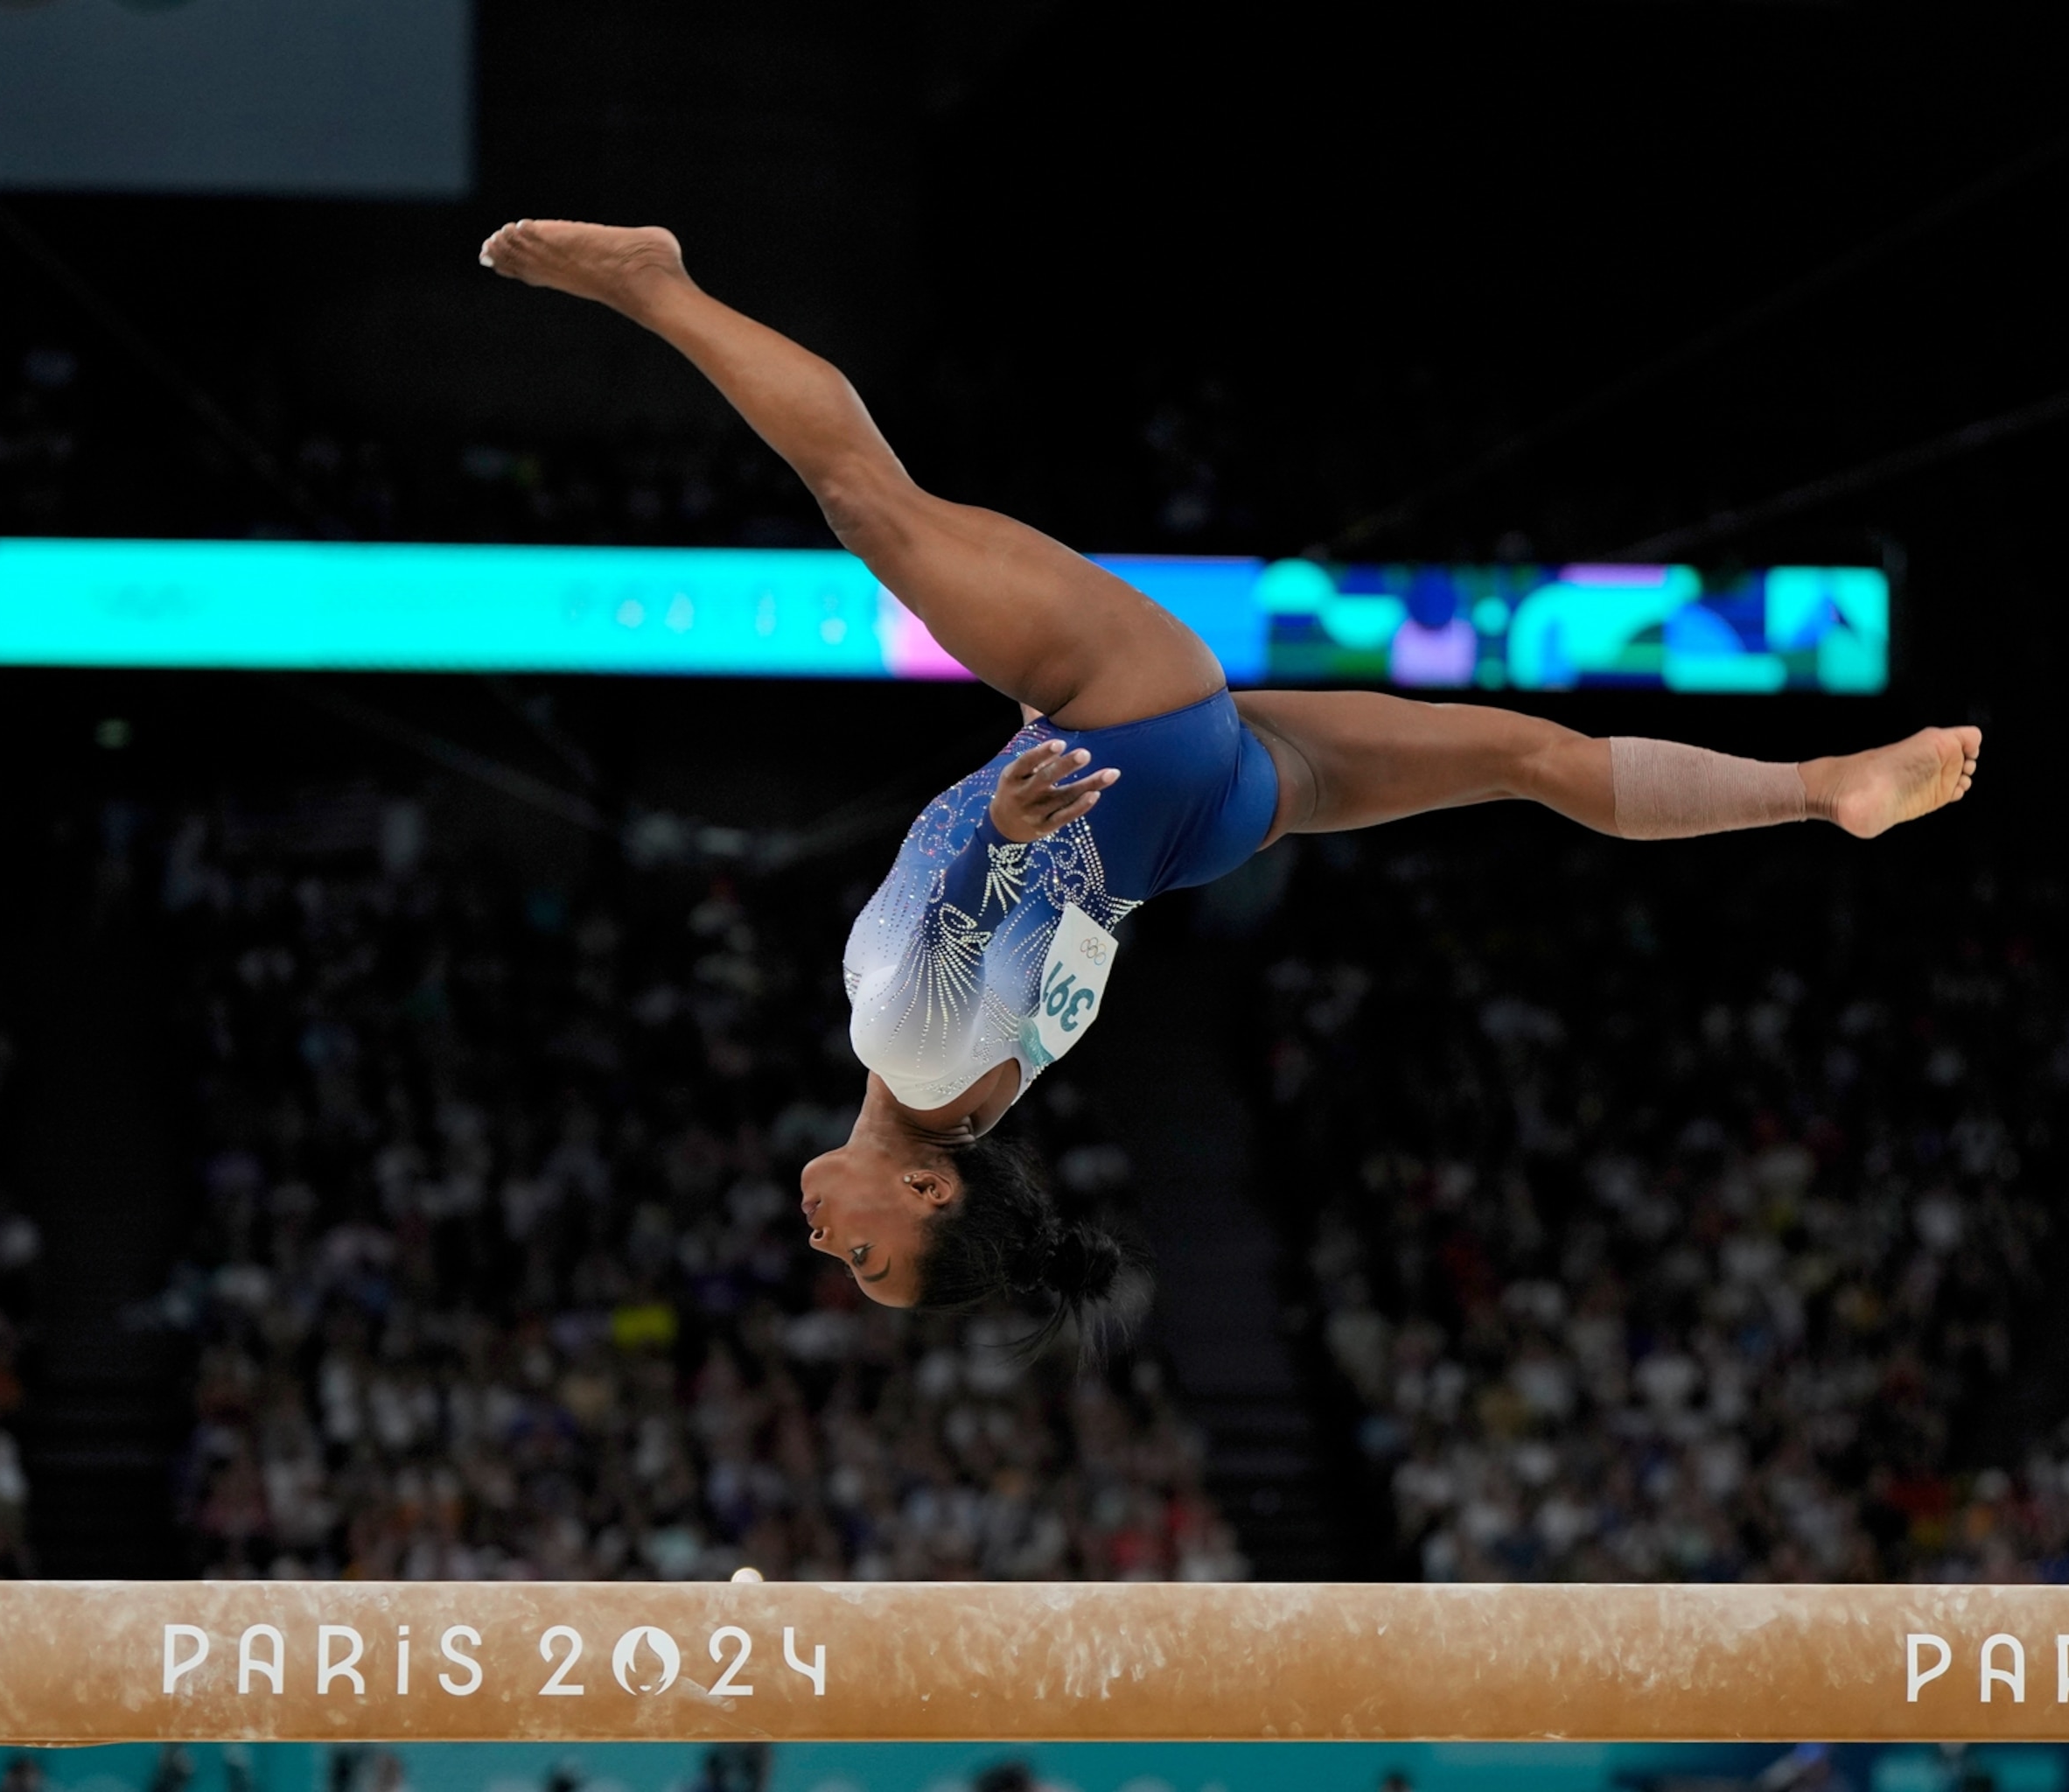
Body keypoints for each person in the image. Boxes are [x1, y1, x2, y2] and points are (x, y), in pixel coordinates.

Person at [479, 219, 1982, 1340]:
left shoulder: (978, 1104)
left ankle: (1818, 788)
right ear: (929, 1194)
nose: (829, 1244)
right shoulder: (914, 1056)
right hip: (1127, 730)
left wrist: (1018, 818)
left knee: (1530, 761)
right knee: (872, 502)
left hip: (1202, 822)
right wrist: (1004, 822)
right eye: (867, 1256)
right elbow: (963, 924)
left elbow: (1011, 940)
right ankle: (657, 284)